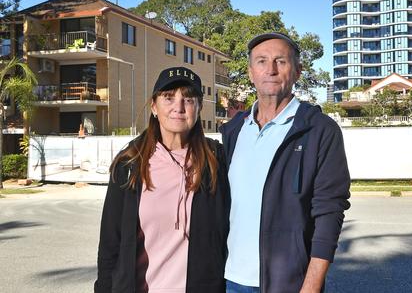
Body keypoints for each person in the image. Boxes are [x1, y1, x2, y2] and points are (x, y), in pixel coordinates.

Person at [220, 32, 351, 292]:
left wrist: (311, 286)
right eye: (261, 61)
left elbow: (329, 212)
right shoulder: (234, 130)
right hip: (231, 279)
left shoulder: (319, 130)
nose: (270, 69)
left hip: (288, 283)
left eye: (281, 61)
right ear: (250, 72)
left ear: (297, 71)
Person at [95, 66, 229, 293]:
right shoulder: (129, 163)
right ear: (154, 107)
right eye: (168, 97)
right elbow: (110, 243)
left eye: (188, 99)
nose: (178, 107)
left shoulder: (217, 162)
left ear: (199, 108)